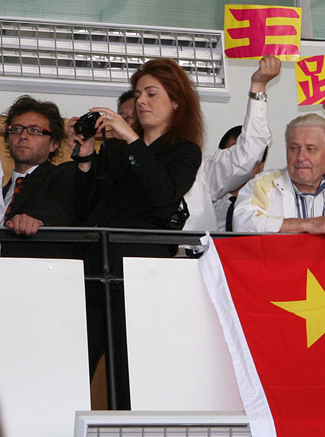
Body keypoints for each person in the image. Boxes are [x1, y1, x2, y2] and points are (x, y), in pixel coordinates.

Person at [72, 58, 204, 409]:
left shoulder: (184, 151)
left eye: (151, 93)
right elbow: (86, 209)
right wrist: (84, 158)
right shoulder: (116, 150)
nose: (141, 100)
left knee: (131, 369)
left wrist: (132, 139)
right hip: (97, 269)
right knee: (75, 362)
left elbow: (164, 198)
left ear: (176, 101)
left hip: (142, 275)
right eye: (138, 93)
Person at [182, 56, 279, 231]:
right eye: (229, 153)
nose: (143, 101)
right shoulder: (209, 202)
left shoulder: (273, 203)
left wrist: (258, 87)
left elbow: (248, 152)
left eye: (151, 94)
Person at [234, 113, 325, 236]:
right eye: (294, 148)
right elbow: (242, 223)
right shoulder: (264, 182)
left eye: (310, 149)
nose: (301, 157)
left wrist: (288, 227)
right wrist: (304, 225)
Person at [2, 96, 74, 255]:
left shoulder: (63, 176)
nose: (23, 135)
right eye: (17, 129)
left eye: (35, 130)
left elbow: (61, 208)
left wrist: (38, 221)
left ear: (53, 144)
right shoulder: (3, 192)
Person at [212, 125, 269, 232]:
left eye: (248, 161)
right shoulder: (203, 204)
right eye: (234, 160)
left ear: (261, 167)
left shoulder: (271, 207)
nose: (240, 167)